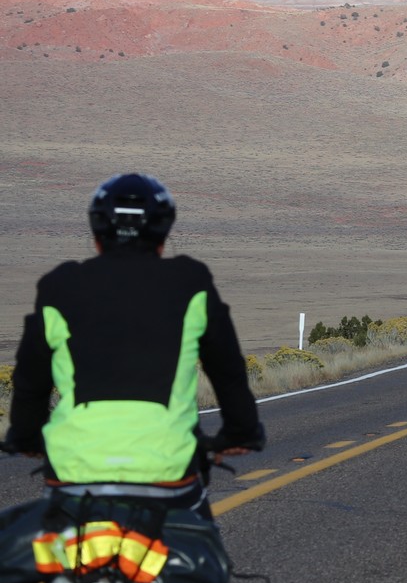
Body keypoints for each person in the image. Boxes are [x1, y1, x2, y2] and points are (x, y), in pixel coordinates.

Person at [2, 172, 265, 500]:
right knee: (200, 545)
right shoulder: (190, 283)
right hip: (168, 472)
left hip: (74, 471)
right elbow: (227, 372)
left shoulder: (59, 287)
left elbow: (30, 380)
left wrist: (26, 437)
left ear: (97, 231)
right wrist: (241, 431)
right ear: (163, 233)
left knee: (46, 545)